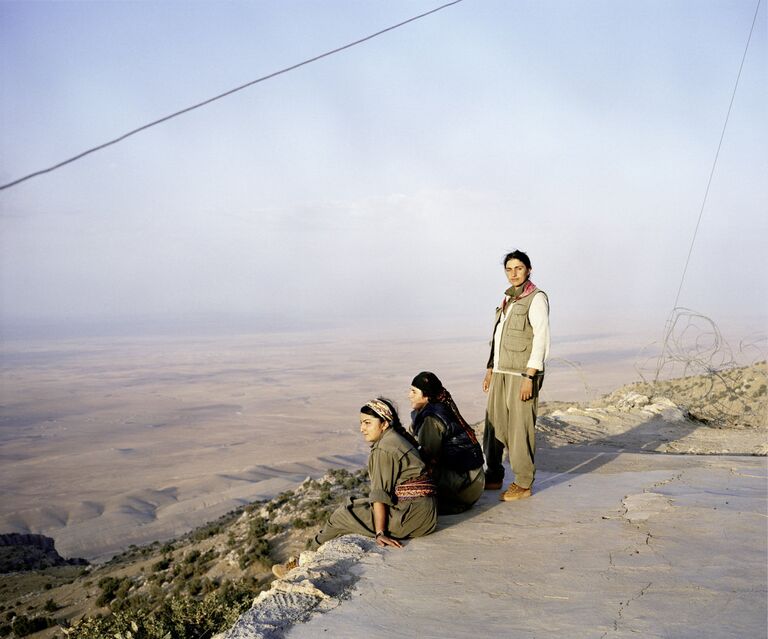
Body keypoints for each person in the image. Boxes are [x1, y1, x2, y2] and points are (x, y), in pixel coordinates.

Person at [272, 397, 437, 577]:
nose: (362, 429)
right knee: (357, 505)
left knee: (342, 515)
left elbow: (380, 495)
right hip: (425, 515)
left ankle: (299, 564)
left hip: (411, 518)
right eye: (361, 423)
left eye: (367, 423)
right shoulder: (396, 439)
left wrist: (380, 532)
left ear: (384, 423)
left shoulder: (384, 449)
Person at [482, 250, 550, 501]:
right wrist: (490, 370)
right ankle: (494, 474)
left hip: (522, 373)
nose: (513, 273)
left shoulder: (536, 298)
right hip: (500, 371)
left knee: (519, 429)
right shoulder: (508, 301)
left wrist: (529, 376)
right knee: (494, 426)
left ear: (528, 270)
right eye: (509, 269)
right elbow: (497, 339)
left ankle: (522, 483)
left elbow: (541, 339)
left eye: (518, 268)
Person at [409, 372, 485, 515]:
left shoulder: (432, 419)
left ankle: (446, 504)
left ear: (426, 395)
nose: (409, 395)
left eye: (414, 391)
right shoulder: (442, 407)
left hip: (465, 488)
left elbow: (426, 457)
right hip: (475, 482)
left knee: (411, 472)